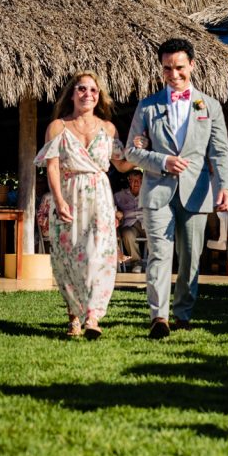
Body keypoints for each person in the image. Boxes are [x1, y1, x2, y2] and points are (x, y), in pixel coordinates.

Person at [125, 38, 228, 338]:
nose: (174, 74)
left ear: (192, 65)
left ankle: (183, 313)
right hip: (157, 192)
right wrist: (163, 161)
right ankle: (159, 317)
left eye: (179, 68)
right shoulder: (147, 107)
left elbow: (219, 152)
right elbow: (130, 152)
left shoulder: (210, 106)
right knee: (159, 254)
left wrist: (225, 186)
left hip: (197, 193)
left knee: (190, 258)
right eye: (167, 68)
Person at [35, 71, 133, 339]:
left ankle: (92, 317)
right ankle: (73, 318)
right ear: (72, 93)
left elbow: (122, 164)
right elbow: (52, 168)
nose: (87, 94)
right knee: (67, 259)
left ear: (98, 96)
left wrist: (140, 150)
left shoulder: (108, 128)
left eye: (93, 90)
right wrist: (58, 199)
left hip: (100, 197)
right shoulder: (57, 127)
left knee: (97, 256)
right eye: (82, 89)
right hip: (68, 196)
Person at [113, 169, 146, 272]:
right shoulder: (119, 195)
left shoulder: (148, 194)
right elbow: (111, 207)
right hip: (129, 225)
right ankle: (136, 262)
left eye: (139, 180)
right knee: (127, 233)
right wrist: (117, 212)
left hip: (146, 223)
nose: (136, 183)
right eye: (133, 180)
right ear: (129, 181)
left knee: (155, 232)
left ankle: (151, 261)